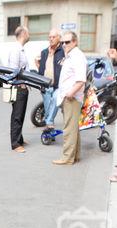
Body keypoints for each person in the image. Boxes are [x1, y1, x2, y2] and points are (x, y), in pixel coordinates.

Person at [53, 31, 87, 165]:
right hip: (69, 97)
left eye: (67, 42)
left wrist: (69, 94)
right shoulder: (71, 55)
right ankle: (75, 156)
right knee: (73, 129)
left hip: (71, 98)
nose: (64, 45)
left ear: (75, 42)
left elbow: (81, 80)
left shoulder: (77, 56)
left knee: (68, 129)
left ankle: (67, 158)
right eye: (62, 42)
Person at [7, 26, 30, 153]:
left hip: (22, 87)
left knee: (20, 115)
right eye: (28, 33)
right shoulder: (16, 49)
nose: (29, 35)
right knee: (17, 115)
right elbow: (13, 69)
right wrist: (20, 84)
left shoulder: (20, 49)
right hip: (18, 87)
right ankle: (15, 144)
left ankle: (19, 139)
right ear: (24, 34)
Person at [37, 29, 64, 132]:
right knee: (48, 109)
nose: (51, 39)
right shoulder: (44, 52)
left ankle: (48, 124)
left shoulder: (63, 51)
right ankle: (50, 130)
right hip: (45, 85)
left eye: (54, 37)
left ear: (59, 38)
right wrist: (40, 84)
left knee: (55, 100)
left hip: (58, 86)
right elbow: (41, 69)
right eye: (50, 37)